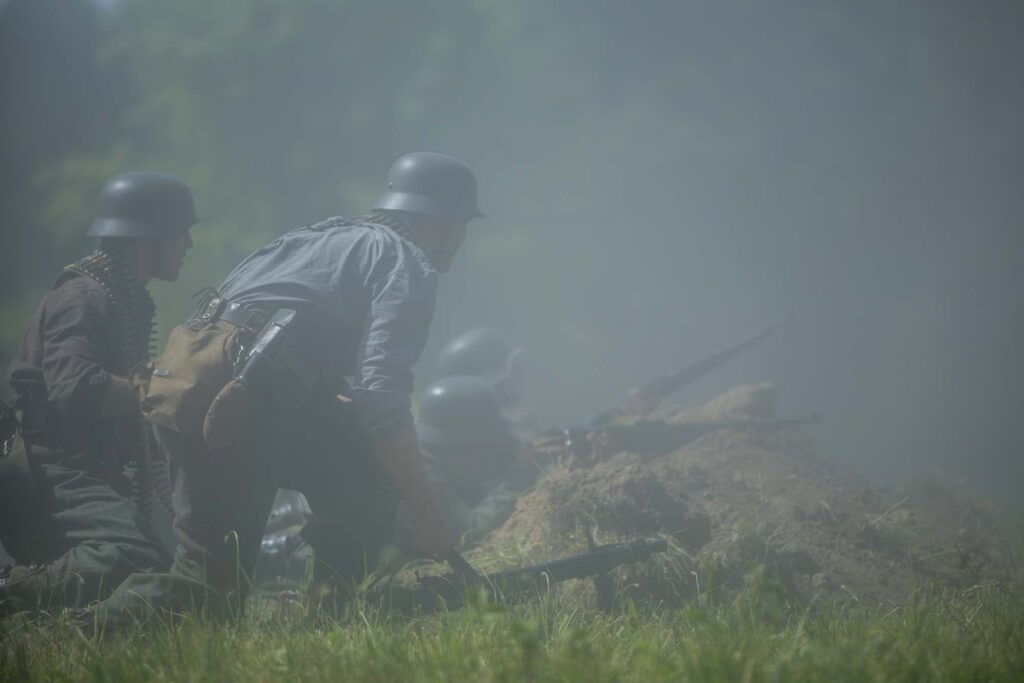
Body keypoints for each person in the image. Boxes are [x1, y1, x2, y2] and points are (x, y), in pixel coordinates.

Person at [98, 152, 482, 622]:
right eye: (460, 225)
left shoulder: (310, 238)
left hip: (188, 390)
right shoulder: (405, 262)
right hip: (245, 405)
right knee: (207, 597)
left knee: (209, 579)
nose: (461, 241)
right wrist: (427, 514)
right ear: (438, 223)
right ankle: (327, 617)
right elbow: (383, 394)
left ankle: (328, 616)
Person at [0, 172, 196, 614]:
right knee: (130, 557)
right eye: (180, 233)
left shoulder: (122, 296)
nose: (188, 245)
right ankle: (10, 595)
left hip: (84, 462)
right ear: (150, 236)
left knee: (167, 567)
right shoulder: (84, 294)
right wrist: (160, 387)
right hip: (52, 462)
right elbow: (76, 388)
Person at [398, 375, 528, 548]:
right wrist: (518, 481)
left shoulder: (430, 450)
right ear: (458, 443)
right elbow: (466, 532)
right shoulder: (424, 473)